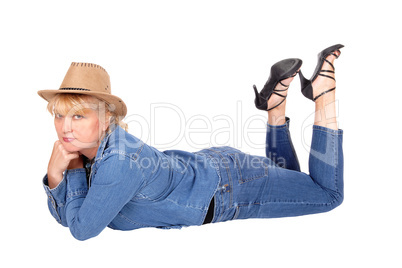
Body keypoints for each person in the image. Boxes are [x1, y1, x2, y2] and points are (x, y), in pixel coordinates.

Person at [38, 44, 344, 241]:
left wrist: (61, 174)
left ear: (105, 119)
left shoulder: (118, 161)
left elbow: (80, 228)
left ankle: (323, 94)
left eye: (78, 116)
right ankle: (274, 106)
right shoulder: (95, 152)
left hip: (230, 189)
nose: (65, 128)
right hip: (220, 171)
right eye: (59, 115)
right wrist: (64, 174)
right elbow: (72, 216)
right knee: (291, 178)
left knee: (328, 194)